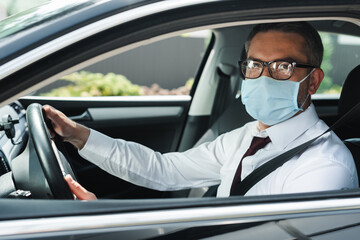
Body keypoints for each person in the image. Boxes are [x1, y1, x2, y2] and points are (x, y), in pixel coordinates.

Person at [43, 22, 358, 200]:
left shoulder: (325, 169)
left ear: (313, 81)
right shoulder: (248, 136)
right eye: (254, 65)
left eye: (282, 66)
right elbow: (166, 170)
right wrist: (78, 135)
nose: (263, 77)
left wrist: (105, 227)